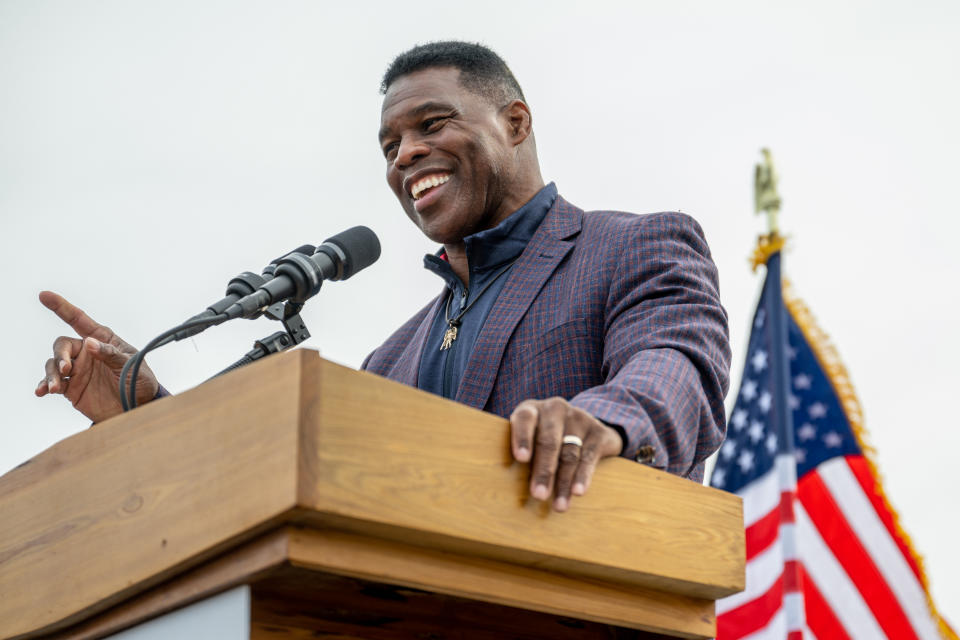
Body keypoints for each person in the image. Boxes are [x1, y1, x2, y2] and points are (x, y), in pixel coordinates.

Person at [36, 41, 730, 512]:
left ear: (515, 122)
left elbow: (678, 369)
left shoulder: (632, 246)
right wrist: (148, 414)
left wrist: (603, 420)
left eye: (432, 124)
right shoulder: (390, 358)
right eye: (391, 145)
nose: (406, 156)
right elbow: (282, 489)